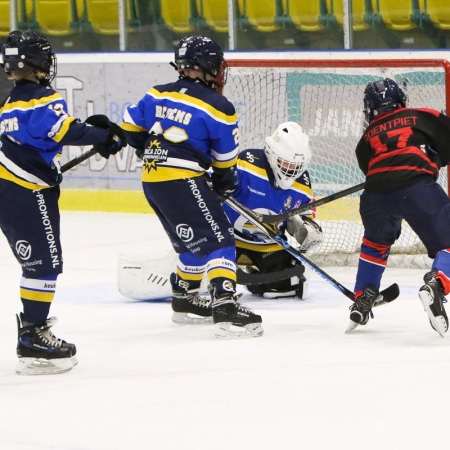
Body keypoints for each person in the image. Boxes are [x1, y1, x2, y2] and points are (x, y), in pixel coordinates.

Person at [0, 30, 127, 374]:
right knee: (44, 263)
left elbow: (45, 137)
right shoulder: (43, 97)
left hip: (12, 189)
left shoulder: (11, 102)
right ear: (39, 62)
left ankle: (32, 331)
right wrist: (105, 136)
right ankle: (32, 336)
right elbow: (62, 131)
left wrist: (92, 132)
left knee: (38, 263)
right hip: (26, 191)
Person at [121, 35, 263, 339]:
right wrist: (224, 184)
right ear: (210, 66)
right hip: (183, 178)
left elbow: (130, 125)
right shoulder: (219, 106)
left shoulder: (156, 93)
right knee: (220, 237)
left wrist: (145, 146)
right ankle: (224, 304)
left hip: (152, 179)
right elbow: (225, 161)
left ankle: (184, 299)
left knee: (191, 241)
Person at [348, 77, 450, 336]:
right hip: (414, 187)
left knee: (376, 242)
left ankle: (362, 295)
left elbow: (370, 167)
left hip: (374, 195)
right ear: (401, 102)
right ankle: (437, 285)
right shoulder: (420, 115)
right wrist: (435, 156)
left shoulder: (366, 137)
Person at [222, 121, 323, 299]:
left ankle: (255, 278)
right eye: (286, 163)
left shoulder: (303, 183)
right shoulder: (247, 164)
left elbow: (304, 216)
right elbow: (217, 188)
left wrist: (307, 230)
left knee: (293, 283)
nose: (291, 171)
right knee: (207, 281)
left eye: (296, 166)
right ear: (271, 153)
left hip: (268, 245)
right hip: (228, 240)